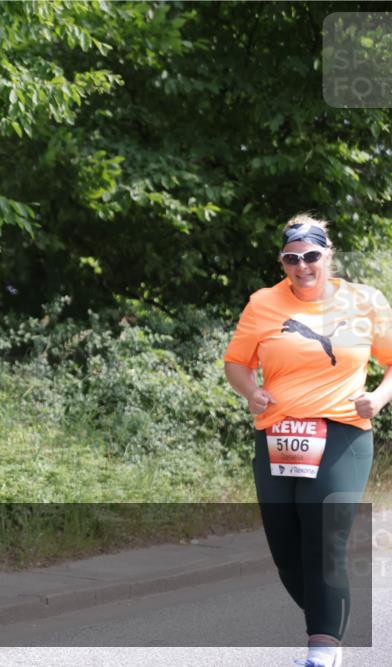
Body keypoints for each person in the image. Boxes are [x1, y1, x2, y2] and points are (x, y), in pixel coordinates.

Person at [224, 214, 392, 667]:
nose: (302, 266)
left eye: (311, 256)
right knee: (286, 549)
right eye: (292, 258)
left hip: (341, 431)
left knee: (324, 538)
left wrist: (377, 398)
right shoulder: (263, 303)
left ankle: (323, 649)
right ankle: (329, 617)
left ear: (328, 254)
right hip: (278, 434)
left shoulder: (364, 301)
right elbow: (237, 362)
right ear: (283, 261)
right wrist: (251, 390)